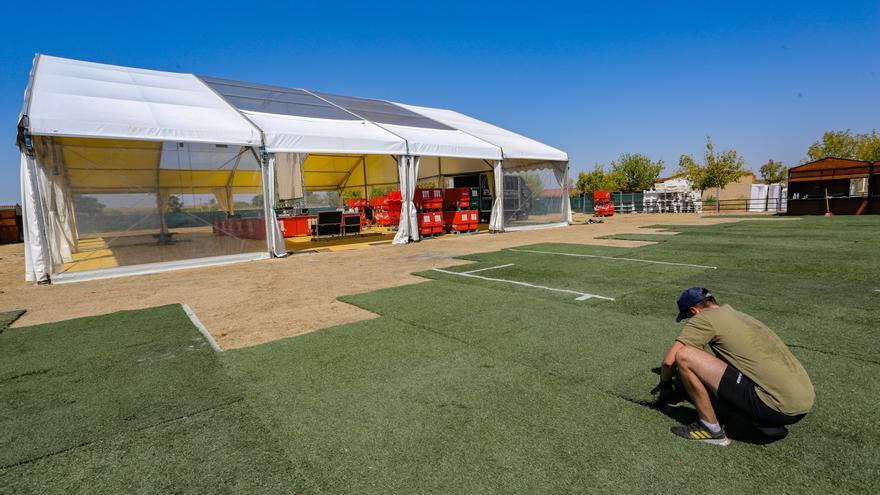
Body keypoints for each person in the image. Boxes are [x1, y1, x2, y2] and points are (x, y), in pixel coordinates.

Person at [652, 287, 815, 446]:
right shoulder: (739, 315)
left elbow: (668, 362)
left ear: (694, 311)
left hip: (774, 407)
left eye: (687, 316)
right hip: (802, 404)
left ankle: (710, 429)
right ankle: (767, 424)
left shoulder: (704, 318)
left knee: (685, 356)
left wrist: (665, 384)